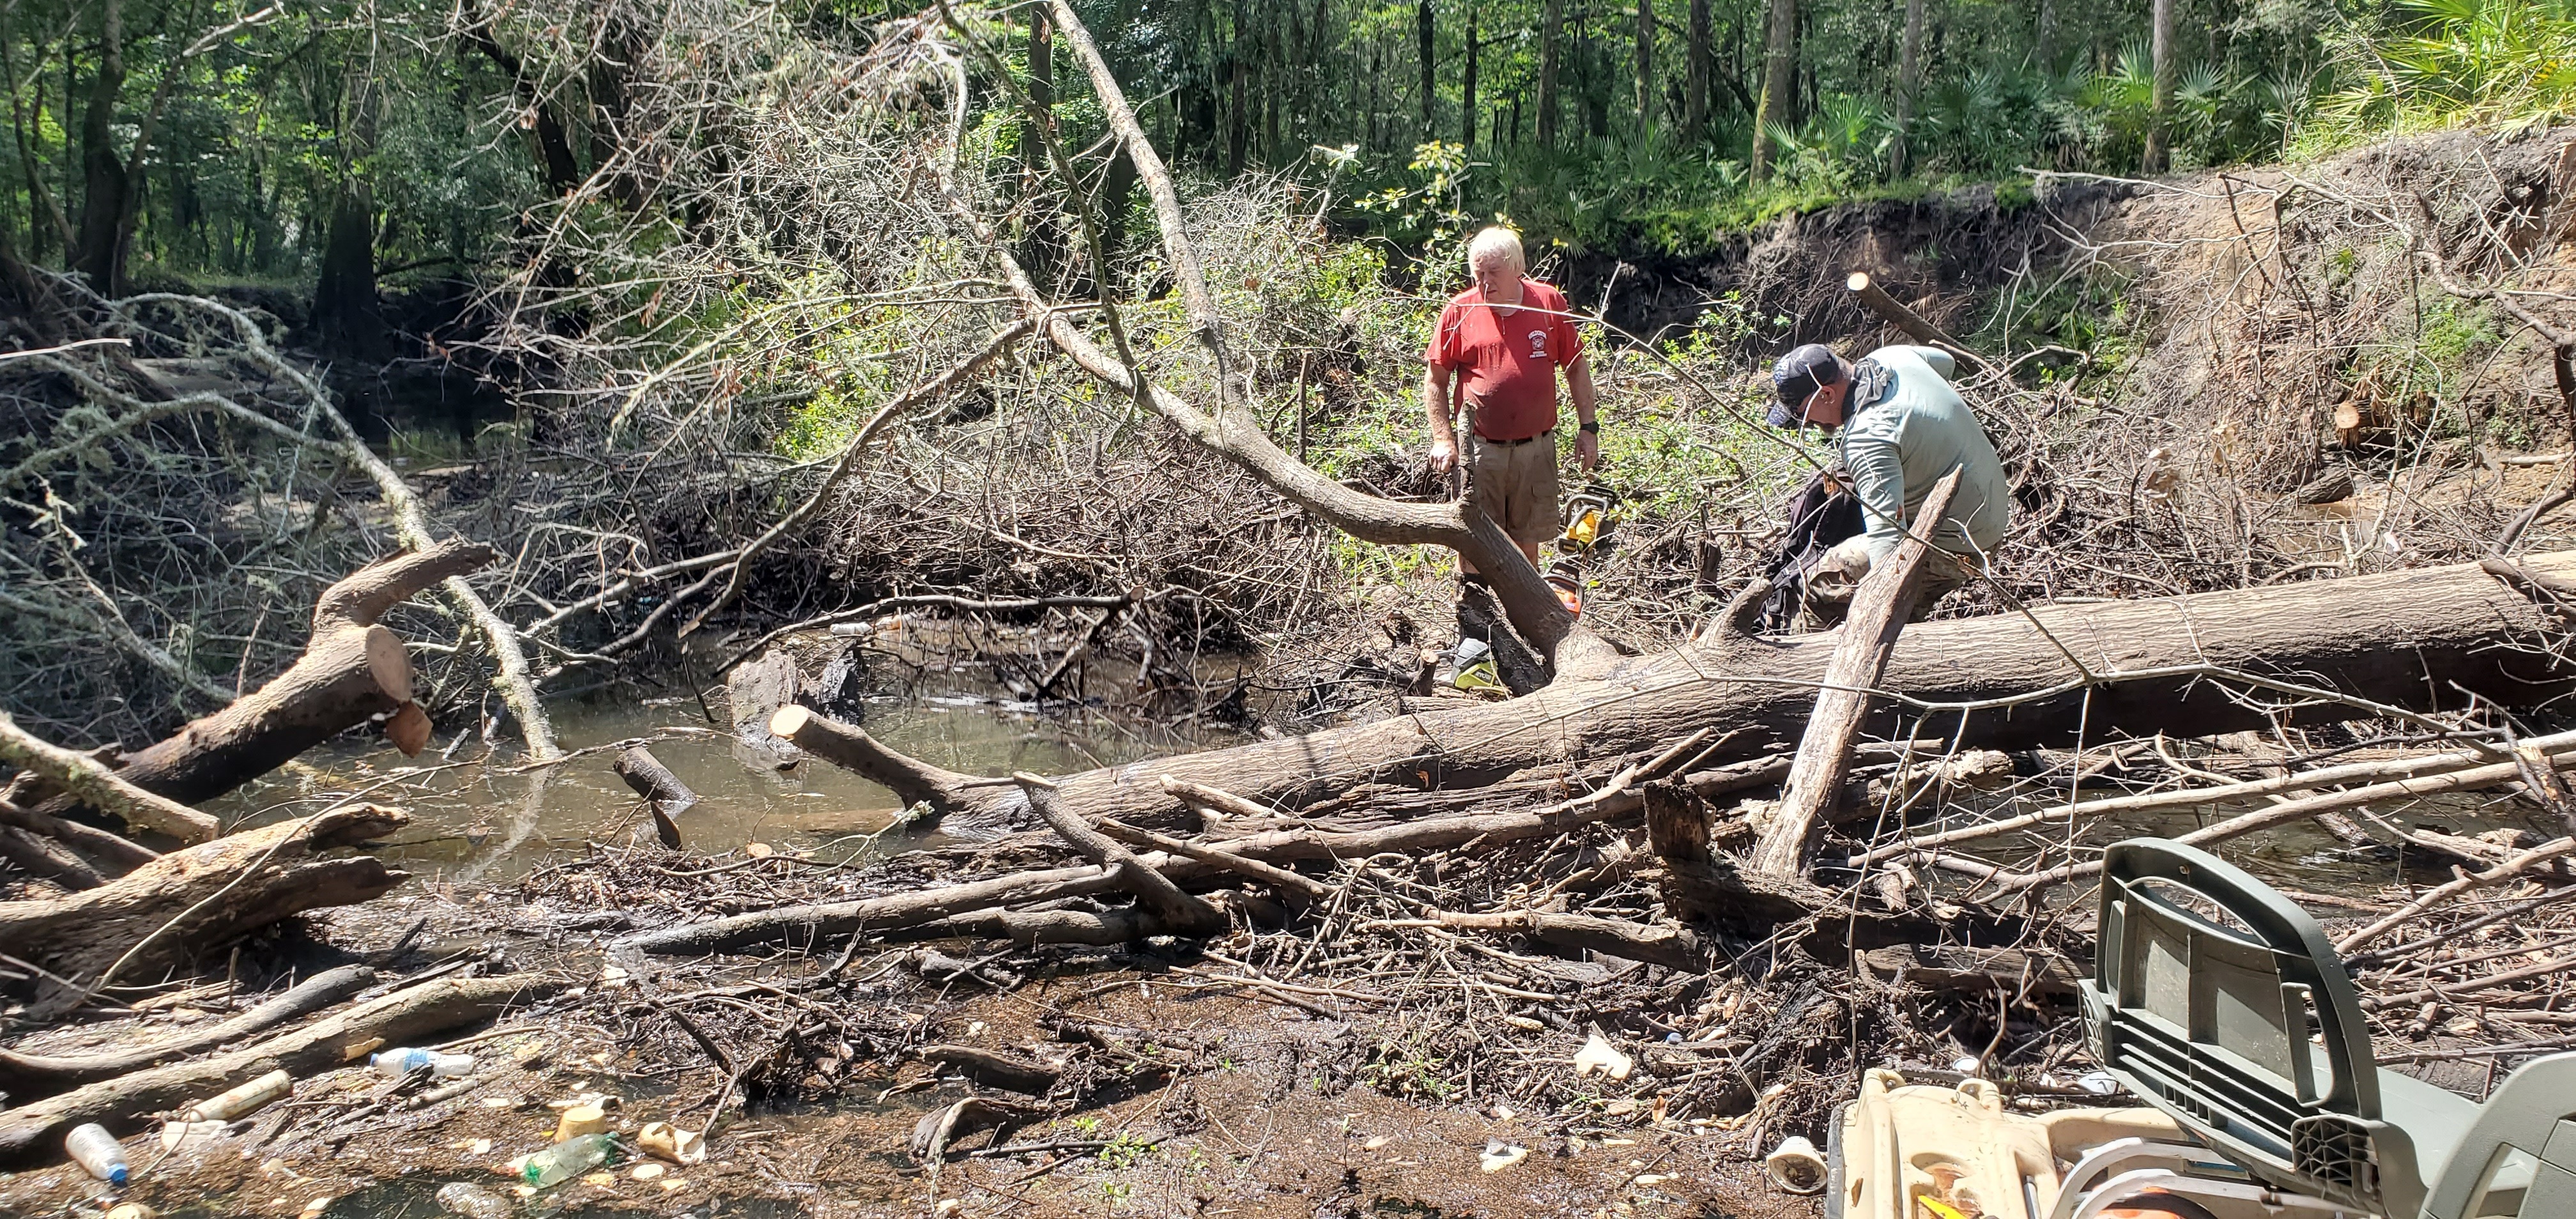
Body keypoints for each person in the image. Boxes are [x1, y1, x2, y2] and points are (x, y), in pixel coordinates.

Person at [1766, 341, 2009, 625]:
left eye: (1801, 415)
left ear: (1827, 395)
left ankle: (1811, 663)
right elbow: (1947, 362)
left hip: (1956, 548)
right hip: (1993, 515)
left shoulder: (1866, 439)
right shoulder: (1892, 357)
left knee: (1814, 586)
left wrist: (1876, 609)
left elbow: (1889, 545)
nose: (1805, 424)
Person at [1424, 227, 1600, 576]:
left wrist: (1588, 428)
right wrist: (1443, 440)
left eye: (1493, 273)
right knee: (1474, 540)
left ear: (1517, 268)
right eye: (1478, 273)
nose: (1484, 282)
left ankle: (1526, 622)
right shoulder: (1459, 311)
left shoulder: (1548, 303)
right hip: (1479, 450)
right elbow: (1435, 380)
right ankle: (1475, 619)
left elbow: (1577, 368)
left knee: (1526, 543)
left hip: (1535, 449)